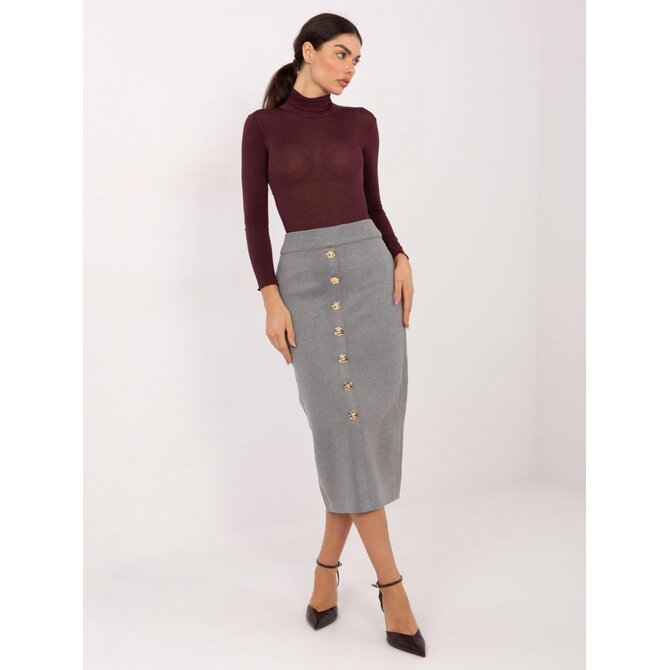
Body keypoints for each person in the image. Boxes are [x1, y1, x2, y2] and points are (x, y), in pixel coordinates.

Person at [240, 12, 425, 657]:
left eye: (357, 60)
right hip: (303, 287)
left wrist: (401, 256)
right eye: (341, 54)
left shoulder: (361, 123)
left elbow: (373, 202)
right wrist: (271, 298)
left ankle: (327, 575)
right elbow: (255, 222)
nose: (350, 69)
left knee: (362, 431)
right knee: (337, 428)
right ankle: (391, 588)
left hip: (372, 277)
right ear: (307, 51)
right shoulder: (261, 127)